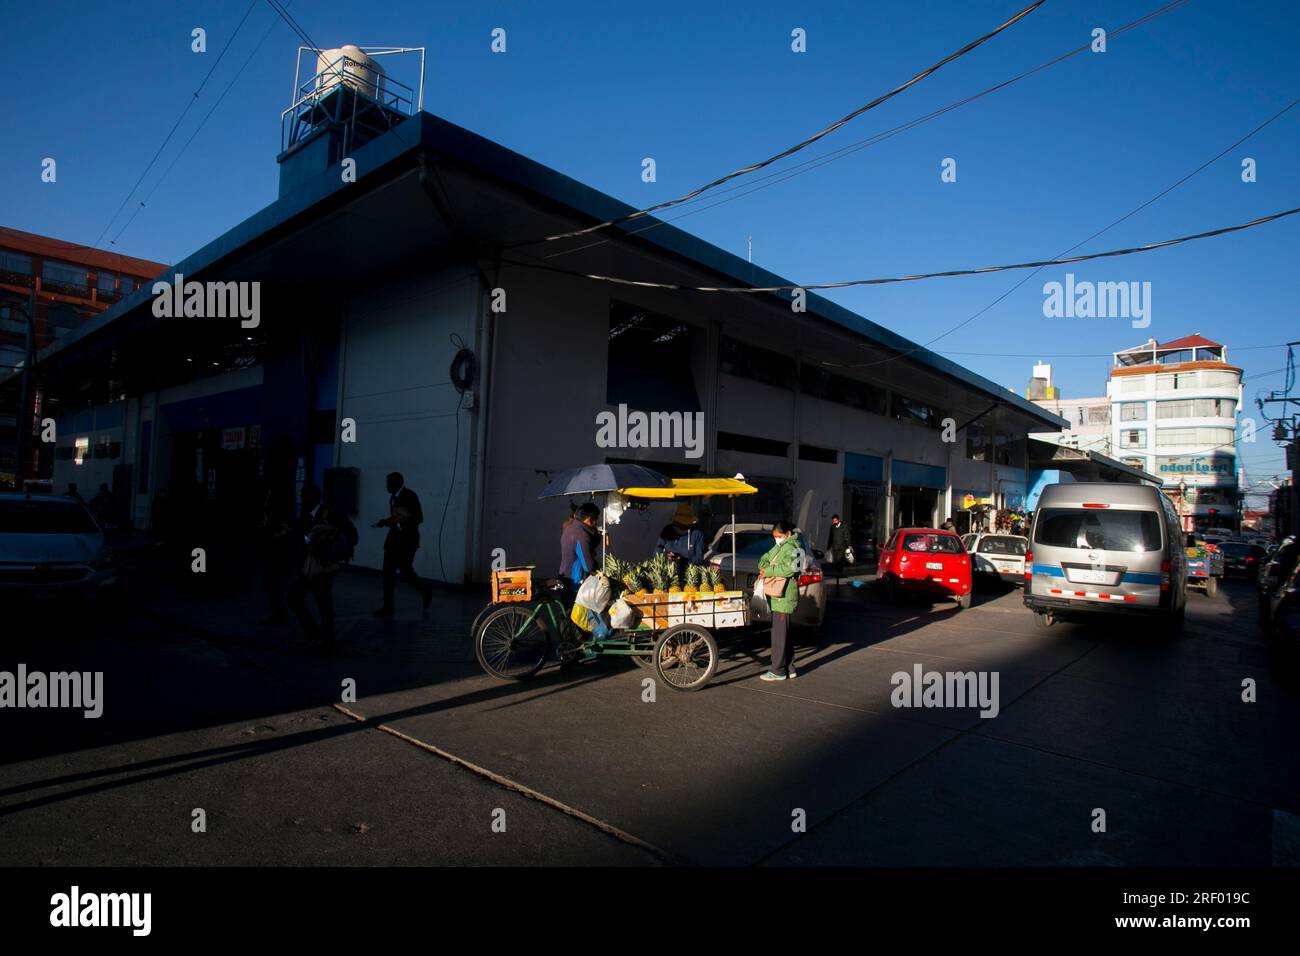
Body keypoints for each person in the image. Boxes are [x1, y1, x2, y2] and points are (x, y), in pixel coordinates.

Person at [289, 484, 354, 652]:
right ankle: (314, 631)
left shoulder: (329, 514)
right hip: (308, 566)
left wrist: (332, 546)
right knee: (295, 598)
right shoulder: (305, 516)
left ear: (310, 498)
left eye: (303, 496)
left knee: (323, 603)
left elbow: (351, 533)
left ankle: (327, 641)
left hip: (324, 567)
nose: (300, 500)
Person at [373, 471, 432, 616]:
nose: (386, 486)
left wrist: (402, 521)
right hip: (394, 541)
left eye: (388, 483)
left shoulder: (409, 496)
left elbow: (419, 518)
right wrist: (386, 522)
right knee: (387, 573)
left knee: (406, 571)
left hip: (407, 541)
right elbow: (396, 517)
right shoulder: (393, 497)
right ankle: (388, 606)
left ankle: (425, 592)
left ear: (396, 483)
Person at [757, 520, 802, 681]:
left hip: (784, 598)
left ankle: (777, 670)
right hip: (779, 598)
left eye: (779, 536)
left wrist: (768, 570)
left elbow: (790, 569)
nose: (777, 539)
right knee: (785, 634)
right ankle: (790, 667)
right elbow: (765, 557)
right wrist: (764, 566)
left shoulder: (794, 548)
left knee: (779, 635)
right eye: (775, 537)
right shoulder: (782, 547)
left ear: (788, 534)